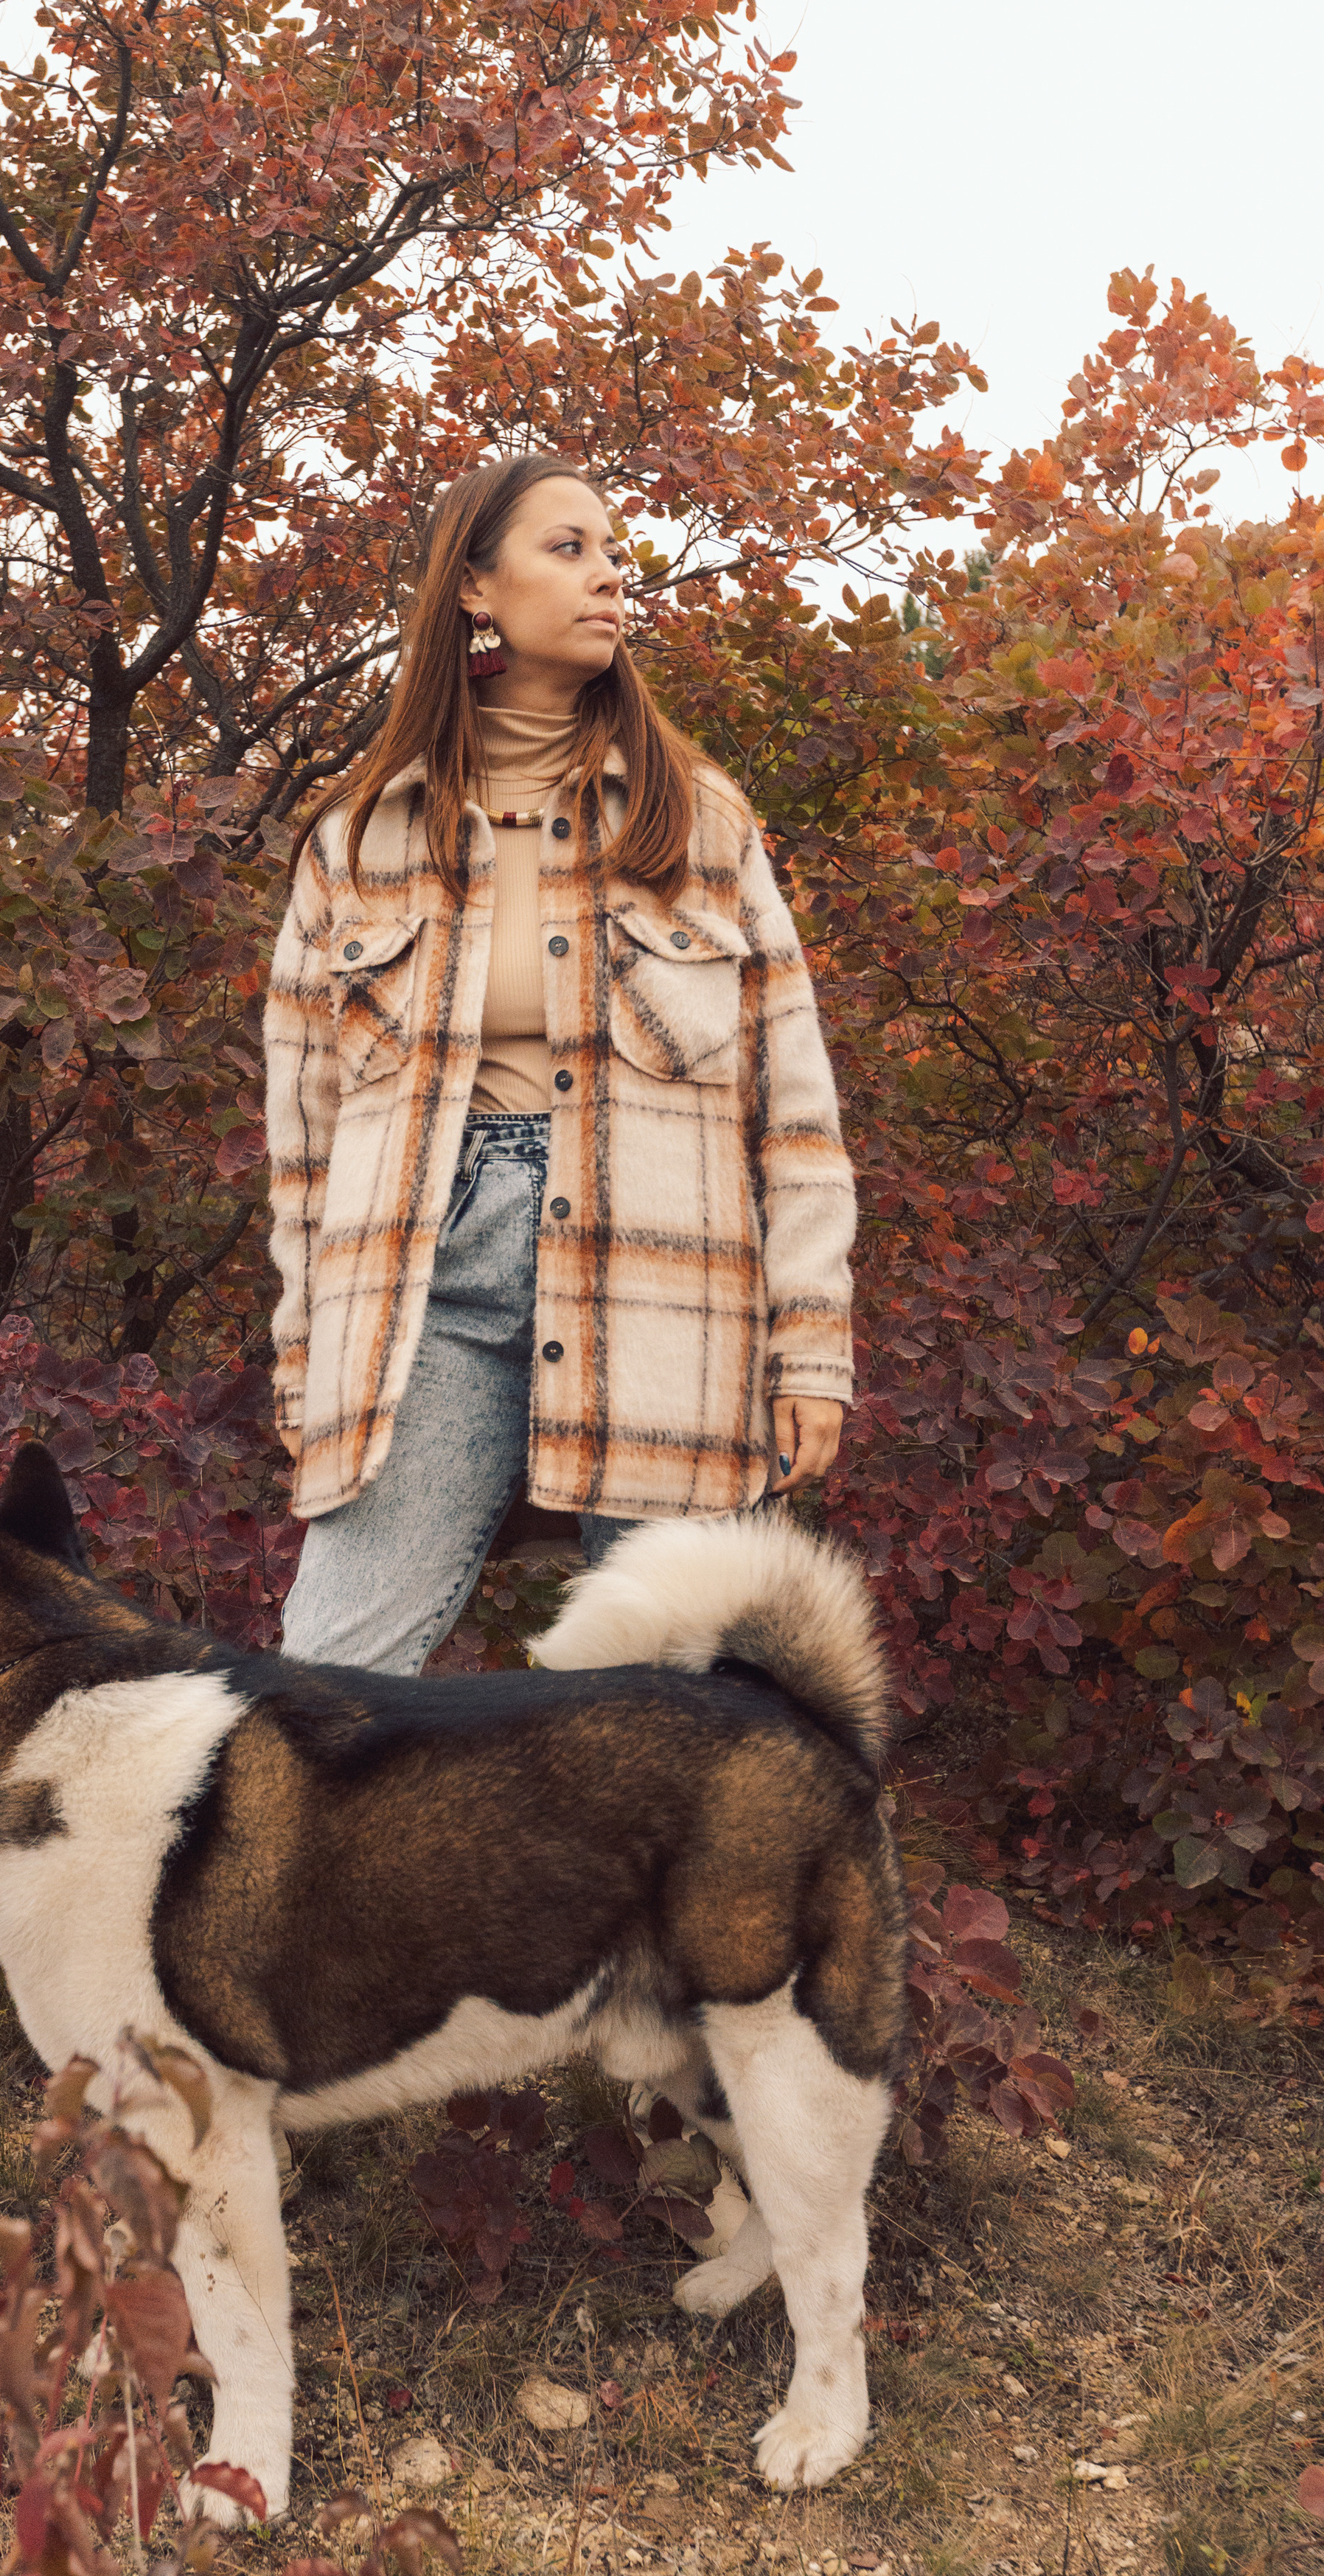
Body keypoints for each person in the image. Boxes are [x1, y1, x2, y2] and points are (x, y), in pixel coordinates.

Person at [263, 453, 855, 1674]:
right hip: (421, 1289)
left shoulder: (699, 823)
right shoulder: (356, 838)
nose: (610, 578)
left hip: (671, 1292)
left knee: (680, 1714)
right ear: (476, 589)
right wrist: (301, 1356)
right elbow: (304, 1145)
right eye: (569, 549)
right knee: (325, 1687)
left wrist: (813, 1352)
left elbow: (795, 1116)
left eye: (616, 553)